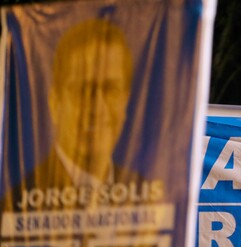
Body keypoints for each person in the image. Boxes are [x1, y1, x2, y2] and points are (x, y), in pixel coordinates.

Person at [5, 18, 160, 213]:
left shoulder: (150, 202)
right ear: (55, 103)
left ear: (125, 101)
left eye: (110, 89)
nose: (98, 107)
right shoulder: (15, 204)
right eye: (83, 90)